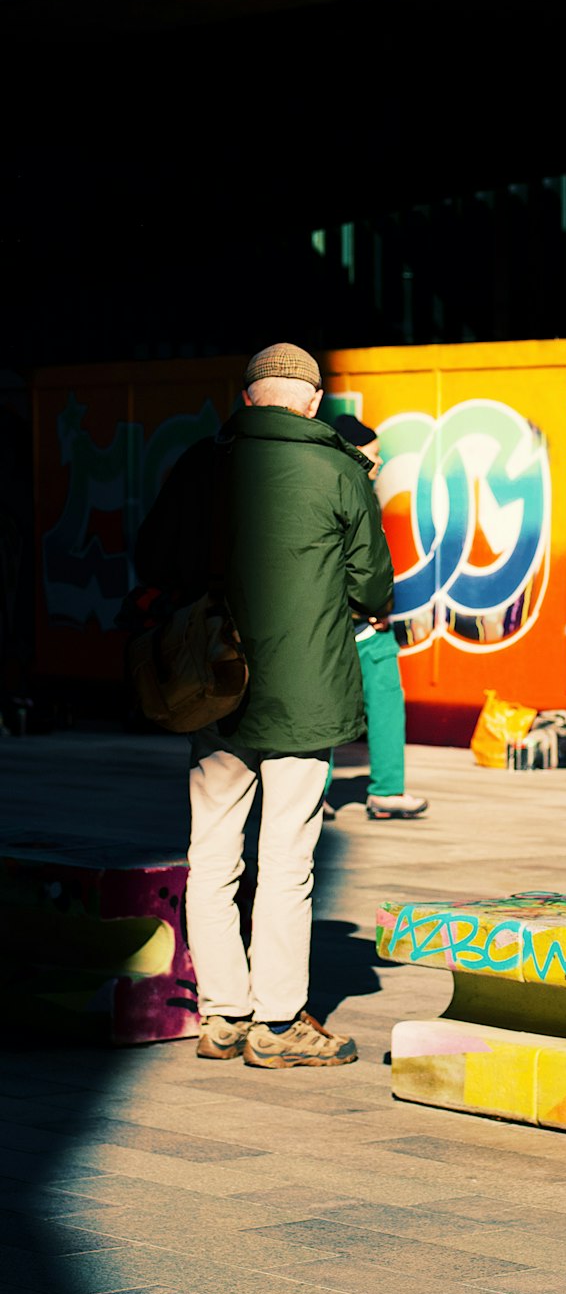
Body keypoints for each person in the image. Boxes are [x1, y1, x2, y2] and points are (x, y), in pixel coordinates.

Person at [134, 344, 394, 1067]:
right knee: (287, 856)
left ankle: (222, 1014)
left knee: (211, 850)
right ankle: (277, 1023)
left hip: (217, 687)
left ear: (247, 398)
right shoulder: (343, 470)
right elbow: (374, 588)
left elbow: (153, 558)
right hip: (304, 696)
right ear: (312, 402)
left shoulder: (201, 465)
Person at [324, 413, 428, 820]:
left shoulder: (335, 487)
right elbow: (359, 563)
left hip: (347, 625)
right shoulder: (350, 492)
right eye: (374, 453)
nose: (380, 461)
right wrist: (374, 606)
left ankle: (332, 795)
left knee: (339, 707)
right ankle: (382, 791)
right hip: (354, 623)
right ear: (353, 452)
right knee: (367, 703)